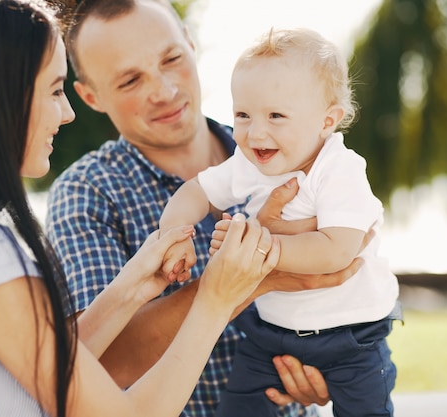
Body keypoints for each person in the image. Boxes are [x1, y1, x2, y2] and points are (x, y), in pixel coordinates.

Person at [0, 0, 284, 416]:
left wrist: (130, 288)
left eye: (171, 58)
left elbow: (49, 375)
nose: (65, 114)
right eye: (55, 90)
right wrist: (218, 297)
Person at [46, 1, 367, 416]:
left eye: (172, 59)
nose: (163, 91)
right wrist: (257, 275)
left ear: (192, 46)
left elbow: (348, 273)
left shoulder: (297, 150)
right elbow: (105, 365)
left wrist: (330, 366)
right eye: (130, 80)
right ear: (91, 96)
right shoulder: (87, 193)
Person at [158, 27, 401, 417]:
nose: (256, 132)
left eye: (276, 115)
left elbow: (336, 251)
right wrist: (175, 235)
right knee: (238, 408)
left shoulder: (340, 170)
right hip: (271, 332)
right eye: (242, 115)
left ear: (327, 121)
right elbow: (195, 192)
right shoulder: (250, 162)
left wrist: (259, 246)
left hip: (351, 334)